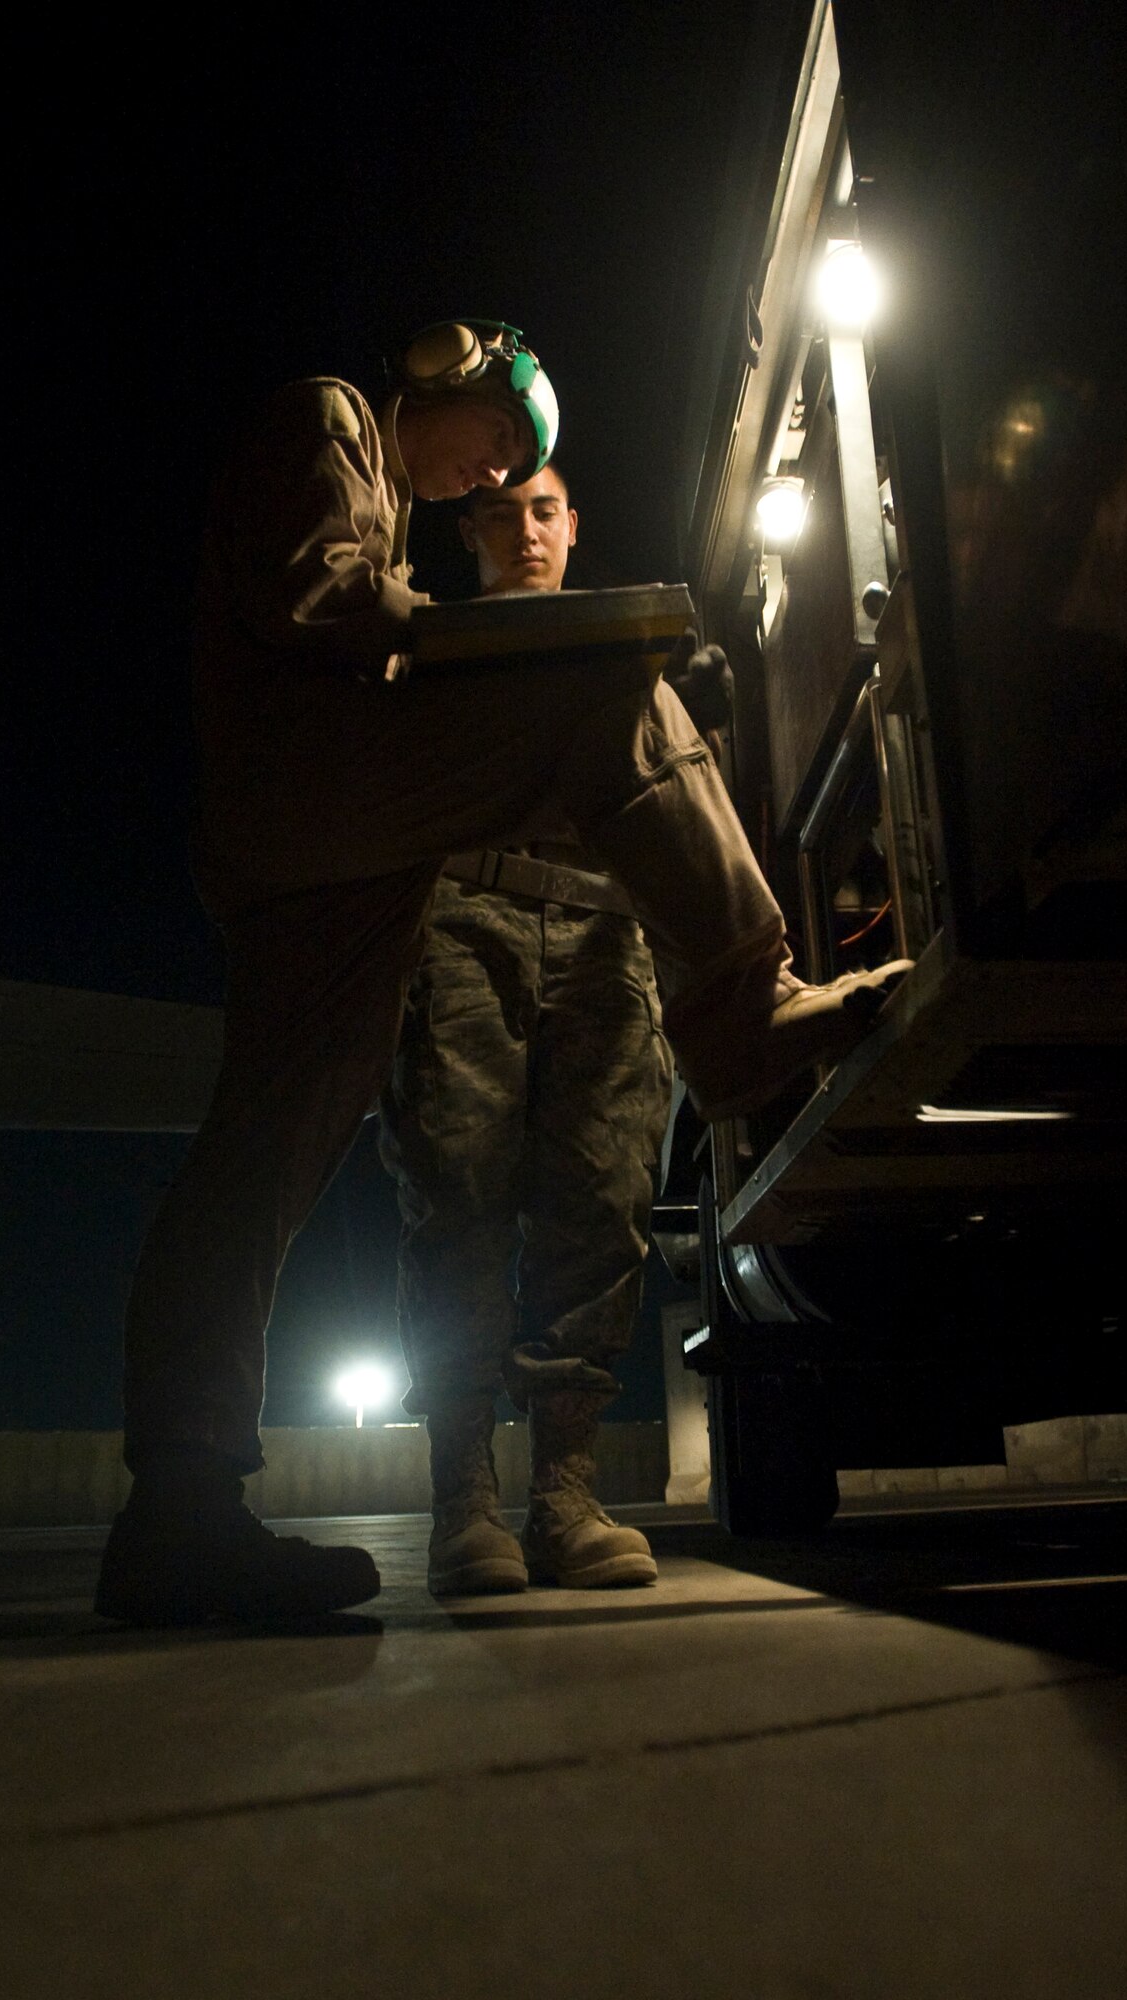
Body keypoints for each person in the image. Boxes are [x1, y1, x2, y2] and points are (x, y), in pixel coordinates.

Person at [94, 317, 910, 1628]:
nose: (496, 476)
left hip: (328, 857)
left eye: (528, 473)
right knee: (613, 692)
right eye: (499, 442)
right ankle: (747, 1001)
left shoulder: (384, 499)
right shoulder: (330, 418)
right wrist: (525, 644)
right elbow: (324, 605)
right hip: (321, 785)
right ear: (444, 368)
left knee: (259, 1161)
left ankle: (177, 1506)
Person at [380, 464, 733, 1597]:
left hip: (604, 926)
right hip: (462, 913)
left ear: (573, 526)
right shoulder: (429, 648)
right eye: (502, 513)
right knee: (457, 1191)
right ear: (469, 530)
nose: (526, 531)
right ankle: (463, 1502)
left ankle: (564, 1495)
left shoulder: (624, 655)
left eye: (544, 512)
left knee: (602, 1198)